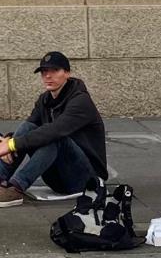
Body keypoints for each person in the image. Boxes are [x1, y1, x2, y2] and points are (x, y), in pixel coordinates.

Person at [0, 51, 107, 207]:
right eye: (44, 72)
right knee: (27, 127)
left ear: (67, 73)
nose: (48, 76)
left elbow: (55, 130)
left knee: (55, 139)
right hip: (58, 177)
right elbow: (30, 128)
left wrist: (11, 145)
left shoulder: (81, 101)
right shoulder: (45, 99)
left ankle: (16, 189)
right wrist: (9, 140)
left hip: (86, 179)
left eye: (54, 71)